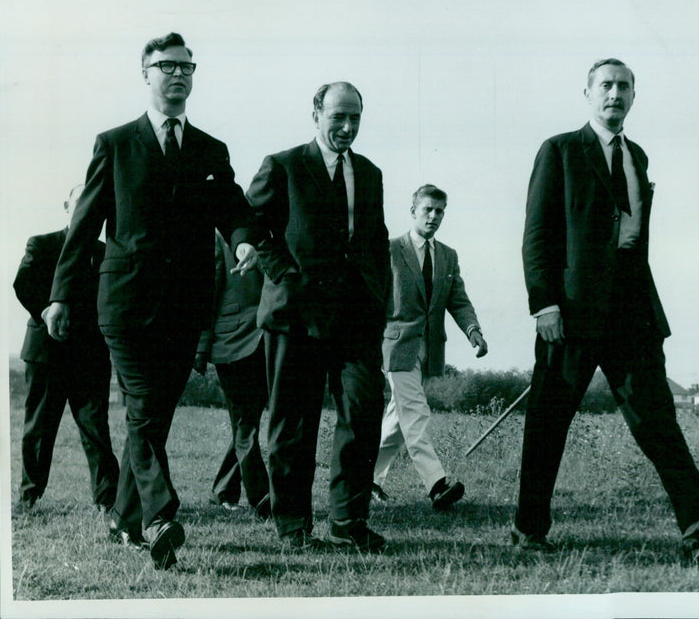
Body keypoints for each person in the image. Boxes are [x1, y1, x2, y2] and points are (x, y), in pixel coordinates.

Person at [514, 58, 699, 558]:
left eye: (624, 86)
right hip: (572, 312)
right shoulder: (559, 150)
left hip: (631, 311)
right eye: (605, 85)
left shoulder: (637, 155)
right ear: (586, 93)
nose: (615, 94)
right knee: (547, 422)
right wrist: (545, 305)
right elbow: (537, 235)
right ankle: (528, 531)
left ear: (633, 96)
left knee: (657, 419)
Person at [45, 32, 259, 570]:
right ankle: (161, 516)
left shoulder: (211, 150)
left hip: (186, 308)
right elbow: (83, 226)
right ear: (146, 73)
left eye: (187, 66)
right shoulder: (114, 144)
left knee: (154, 417)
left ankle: (123, 516)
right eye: (167, 66)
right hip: (124, 304)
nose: (178, 74)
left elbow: (231, 206)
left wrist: (243, 239)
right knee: (142, 408)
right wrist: (60, 298)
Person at [246, 81, 390, 552]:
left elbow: (375, 242)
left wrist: (378, 301)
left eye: (355, 119)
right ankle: (293, 526)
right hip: (295, 317)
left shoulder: (369, 173)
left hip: (354, 320)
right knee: (293, 424)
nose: (347, 127)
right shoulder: (284, 165)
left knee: (363, 412)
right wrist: (283, 272)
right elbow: (251, 224)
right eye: (338, 118)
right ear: (316, 114)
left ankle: (348, 522)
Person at [372, 185, 487, 510]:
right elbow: (373, 298)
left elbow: (458, 299)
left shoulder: (448, 255)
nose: (434, 216)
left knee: (398, 419)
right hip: (395, 348)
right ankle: (436, 484)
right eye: (428, 210)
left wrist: (473, 330)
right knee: (417, 412)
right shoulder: (390, 250)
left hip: (430, 350)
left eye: (440, 211)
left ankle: (366, 478)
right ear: (413, 212)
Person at [13, 185, 120, 512]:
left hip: (90, 356)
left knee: (96, 429)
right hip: (47, 354)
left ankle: (107, 501)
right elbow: (23, 284)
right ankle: (29, 498)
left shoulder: (107, 254)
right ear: (65, 206)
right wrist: (47, 312)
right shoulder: (42, 244)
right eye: (80, 204)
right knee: (40, 430)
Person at [194, 229, 270, 519]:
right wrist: (201, 348)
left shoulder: (272, 232)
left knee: (248, 418)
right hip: (231, 342)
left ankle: (224, 489)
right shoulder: (216, 237)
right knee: (244, 420)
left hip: (266, 338)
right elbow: (208, 292)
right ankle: (262, 496)